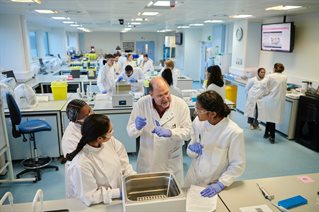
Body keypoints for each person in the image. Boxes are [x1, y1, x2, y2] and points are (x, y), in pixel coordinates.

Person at [127, 77, 191, 186]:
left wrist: (171, 133)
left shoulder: (180, 105)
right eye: (160, 95)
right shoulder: (142, 104)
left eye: (167, 93)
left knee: (172, 198)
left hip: (171, 163)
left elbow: (189, 132)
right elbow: (130, 132)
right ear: (151, 94)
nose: (165, 98)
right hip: (148, 162)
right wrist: (136, 127)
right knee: (147, 193)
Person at [184, 90, 245, 197]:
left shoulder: (233, 132)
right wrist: (191, 149)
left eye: (199, 110)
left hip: (212, 183)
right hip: (192, 177)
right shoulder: (198, 122)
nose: (196, 113)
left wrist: (221, 183)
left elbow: (237, 164)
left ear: (212, 114)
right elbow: (191, 150)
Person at [65, 114, 136, 206]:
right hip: (95, 205)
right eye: (110, 131)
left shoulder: (111, 142)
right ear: (99, 138)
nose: (113, 132)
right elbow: (90, 196)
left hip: (116, 200)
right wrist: (119, 192)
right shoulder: (81, 163)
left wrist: (132, 179)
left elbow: (124, 165)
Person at [61, 99, 94, 197]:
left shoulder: (88, 124)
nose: (90, 114)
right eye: (86, 115)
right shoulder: (70, 138)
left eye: (90, 110)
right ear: (76, 120)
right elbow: (80, 164)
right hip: (81, 178)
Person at [257, 63, 287, 144]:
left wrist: (266, 92)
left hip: (270, 99)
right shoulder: (284, 77)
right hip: (278, 100)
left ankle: (272, 137)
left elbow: (262, 84)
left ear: (274, 69)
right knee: (270, 117)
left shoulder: (270, 76)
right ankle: (266, 133)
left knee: (271, 118)